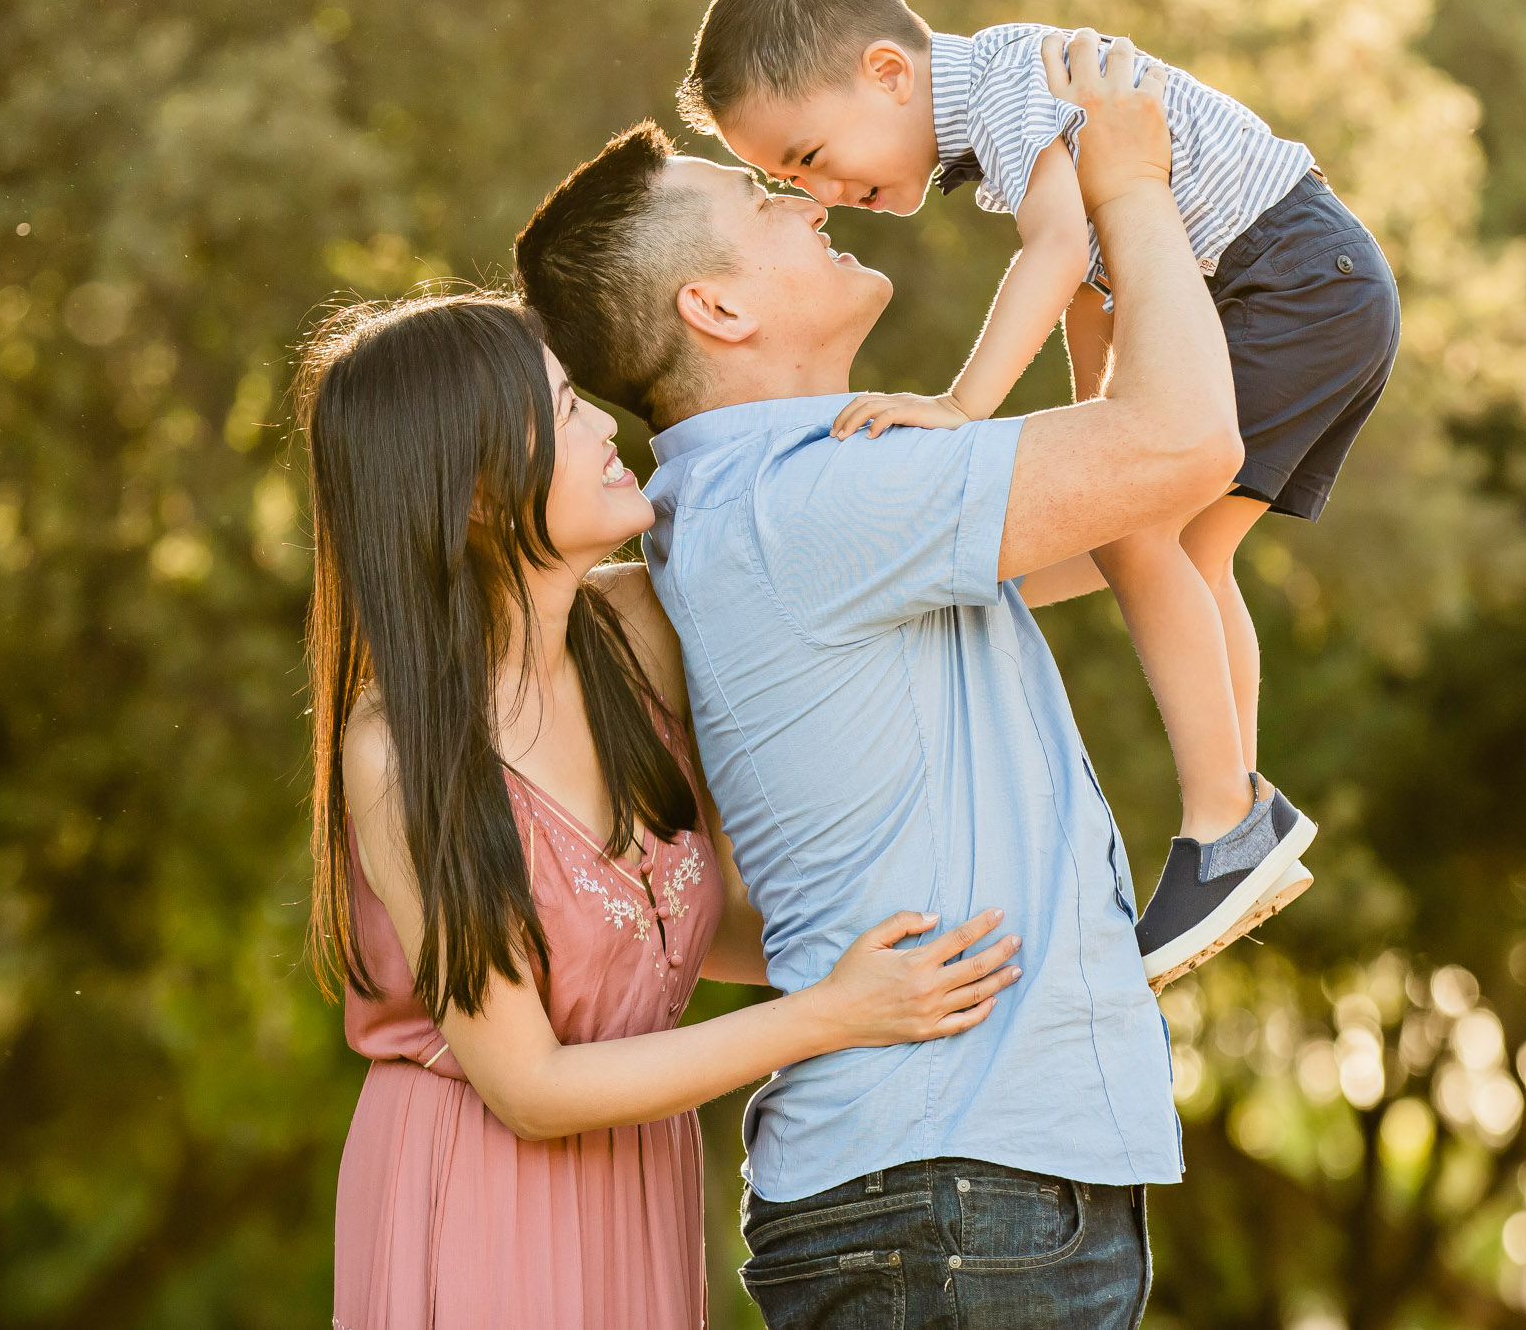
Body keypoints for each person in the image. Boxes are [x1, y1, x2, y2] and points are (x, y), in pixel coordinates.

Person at [514, 33, 1241, 1328]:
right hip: (953, 1199)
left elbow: (1142, 506)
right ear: (717, 309)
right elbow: (1186, 442)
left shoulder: (785, 498)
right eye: (758, 201)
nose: (801, 199)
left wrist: (1088, 301)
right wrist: (1126, 183)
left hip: (953, 1196)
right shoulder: (816, 500)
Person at [669, 0, 1401, 988]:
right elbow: (1098, 285)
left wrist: (960, 406)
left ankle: (1224, 820)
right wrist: (1101, 424)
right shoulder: (995, 106)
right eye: (789, 180)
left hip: (1282, 280)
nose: (823, 190)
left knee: (1136, 530)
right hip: (1316, 280)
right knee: (1188, 543)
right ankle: (1233, 810)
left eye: (813, 153)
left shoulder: (1010, 88)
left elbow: (1057, 253)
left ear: (888, 71)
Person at [299, 291, 1022, 1330]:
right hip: (477, 1186)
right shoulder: (403, 755)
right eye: (562, 407)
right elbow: (532, 1085)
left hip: (633, 1174)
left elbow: (664, 930)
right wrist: (835, 1012)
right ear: (472, 488)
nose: (602, 423)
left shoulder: (638, 632)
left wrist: (894, 957)